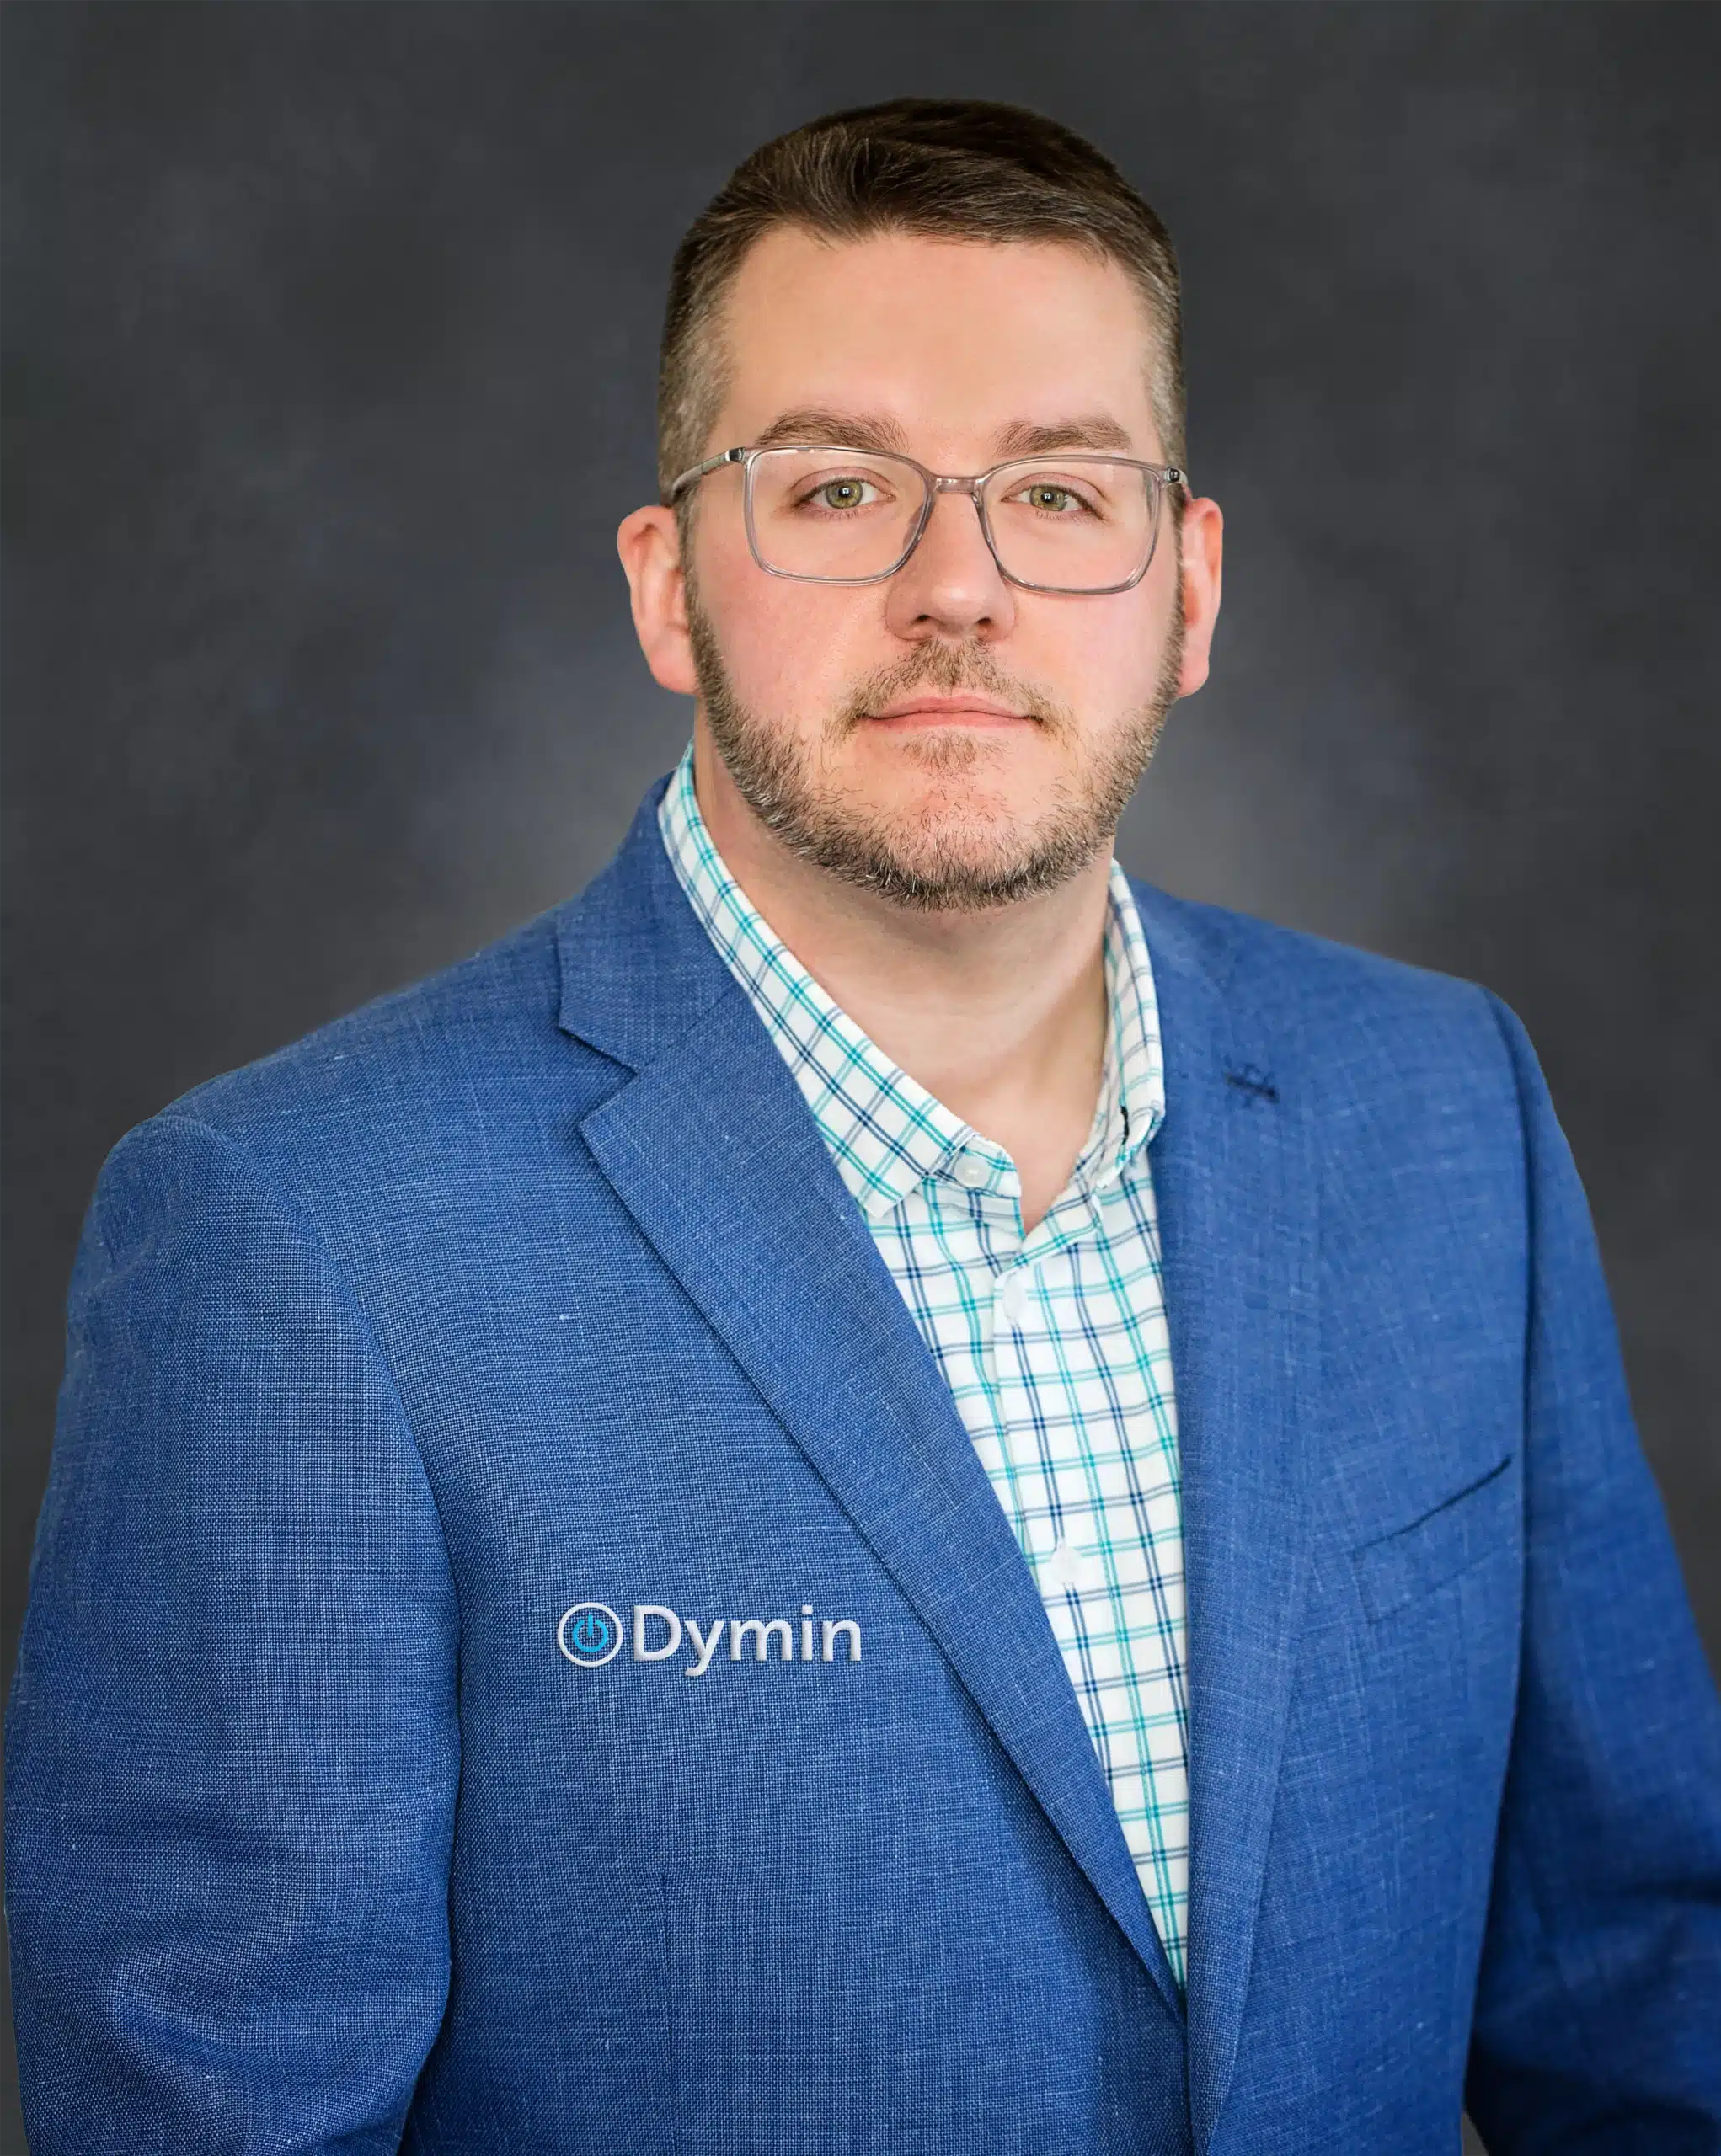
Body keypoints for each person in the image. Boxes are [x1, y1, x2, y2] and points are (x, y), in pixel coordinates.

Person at [8, 96, 1720, 2156]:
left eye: (1060, 493)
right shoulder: (297, 1239)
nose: (957, 589)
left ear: (1184, 586)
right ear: (668, 588)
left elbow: (1641, 1985)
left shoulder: (1443, 1111)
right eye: (834, 488)